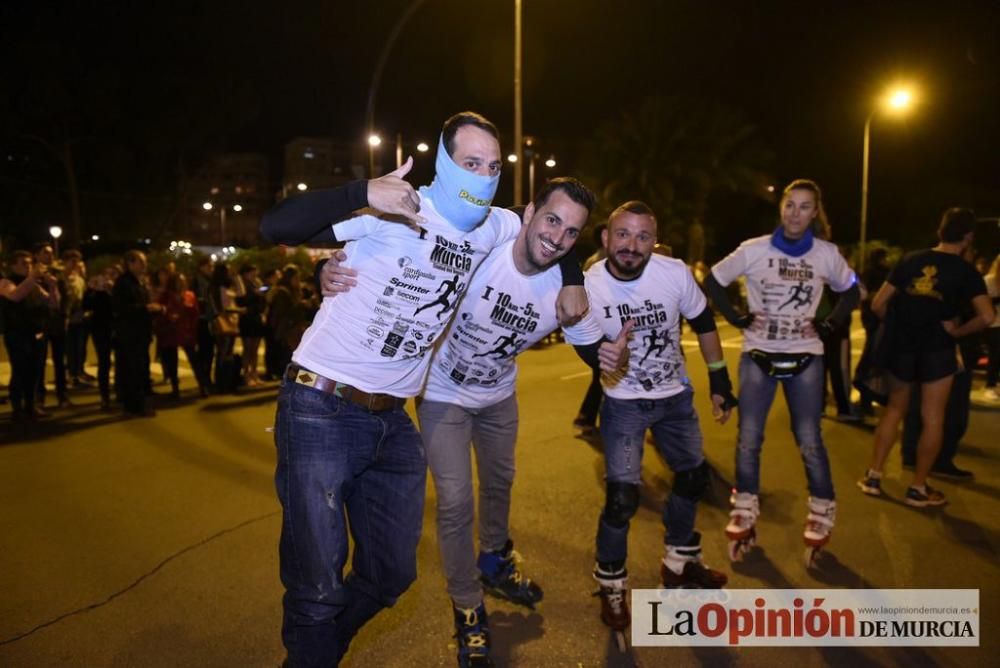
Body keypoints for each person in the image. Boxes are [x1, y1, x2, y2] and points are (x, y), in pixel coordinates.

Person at [258, 111, 587, 667]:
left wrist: (574, 277)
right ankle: (312, 650)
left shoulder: (492, 225)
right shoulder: (397, 209)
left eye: (492, 166)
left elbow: (553, 230)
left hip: (392, 423)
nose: (482, 175)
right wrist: (361, 191)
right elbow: (277, 228)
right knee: (316, 588)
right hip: (321, 405)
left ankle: (319, 649)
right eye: (469, 162)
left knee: (393, 574)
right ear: (442, 159)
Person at [319, 177, 627, 667]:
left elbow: (592, 344)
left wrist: (607, 353)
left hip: (498, 395)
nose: (559, 237)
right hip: (442, 394)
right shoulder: (486, 248)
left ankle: (495, 560)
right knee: (456, 502)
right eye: (551, 220)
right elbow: (414, 246)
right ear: (527, 214)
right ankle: (467, 607)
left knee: (501, 481)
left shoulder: (568, 289)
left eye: (572, 233)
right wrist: (327, 266)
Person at [585, 200, 738, 636]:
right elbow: (571, 334)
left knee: (693, 479)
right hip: (624, 403)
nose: (632, 246)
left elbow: (704, 321)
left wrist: (720, 381)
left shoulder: (672, 273)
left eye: (642, 236)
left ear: (654, 240)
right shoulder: (590, 286)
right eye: (623, 235)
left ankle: (679, 562)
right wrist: (601, 354)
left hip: (675, 399)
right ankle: (611, 583)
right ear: (605, 238)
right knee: (622, 499)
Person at [704, 179, 859, 565]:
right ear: (781, 208)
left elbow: (852, 289)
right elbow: (713, 280)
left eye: (804, 207)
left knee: (808, 438)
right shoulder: (754, 249)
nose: (795, 213)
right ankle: (744, 508)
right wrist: (737, 317)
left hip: (806, 354)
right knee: (748, 438)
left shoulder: (826, 254)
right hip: (759, 353)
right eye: (790, 205)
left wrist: (828, 325)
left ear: (814, 213)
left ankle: (822, 510)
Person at [858, 208, 994, 507]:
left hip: (903, 347)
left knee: (894, 410)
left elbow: (879, 303)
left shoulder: (911, 259)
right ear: (968, 236)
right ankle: (918, 488)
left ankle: (873, 476)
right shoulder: (966, 272)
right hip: (938, 349)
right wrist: (956, 332)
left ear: (940, 231)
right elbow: (987, 316)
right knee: (933, 418)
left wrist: (898, 323)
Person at [1, 250, 57, 421]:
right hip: (17, 333)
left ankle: (31, 405)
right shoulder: (6, 282)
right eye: (24, 263)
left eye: (30, 263)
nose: (28, 266)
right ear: (13, 266)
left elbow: (52, 303)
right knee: (20, 370)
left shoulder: (33, 283)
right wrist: (32, 278)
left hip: (36, 333)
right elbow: (15, 296)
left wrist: (53, 286)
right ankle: (17, 407)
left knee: (34, 370)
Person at [112, 250, 163, 417]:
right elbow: (122, 309)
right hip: (130, 333)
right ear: (130, 263)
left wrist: (153, 309)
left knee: (140, 369)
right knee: (132, 370)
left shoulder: (138, 282)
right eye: (140, 262)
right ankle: (133, 406)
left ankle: (138, 403)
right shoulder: (124, 283)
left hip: (140, 332)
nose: (144, 265)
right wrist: (146, 308)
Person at [573, 223, 609, 436]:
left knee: (601, 375)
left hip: (595, 326)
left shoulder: (591, 260)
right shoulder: (603, 263)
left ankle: (586, 417)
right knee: (605, 375)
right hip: (601, 327)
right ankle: (588, 418)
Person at [33, 243, 69, 409]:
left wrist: (65, 316)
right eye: (45, 253)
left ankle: (62, 395)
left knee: (60, 361)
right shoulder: (33, 274)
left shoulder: (58, 275)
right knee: (39, 362)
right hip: (41, 323)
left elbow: (66, 297)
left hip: (57, 323)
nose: (50, 256)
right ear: (37, 255)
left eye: (51, 253)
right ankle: (39, 397)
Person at [84, 265, 120, 410]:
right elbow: (86, 305)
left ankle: (120, 391)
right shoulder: (96, 291)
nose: (110, 278)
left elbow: (119, 306)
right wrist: (93, 290)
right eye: (108, 274)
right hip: (100, 328)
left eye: (114, 274)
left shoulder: (119, 289)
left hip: (117, 328)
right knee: (104, 362)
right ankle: (104, 396)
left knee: (121, 361)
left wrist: (111, 291)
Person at [209, 262, 243, 393]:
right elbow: (224, 307)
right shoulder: (219, 288)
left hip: (231, 321)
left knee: (227, 352)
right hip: (225, 321)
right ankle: (222, 382)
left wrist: (237, 278)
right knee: (224, 352)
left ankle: (225, 381)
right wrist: (237, 310)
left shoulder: (226, 286)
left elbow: (241, 293)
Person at [236, 263, 267, 386]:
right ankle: (246, 374)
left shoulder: (257, 283)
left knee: (255, 349)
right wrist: (255, 294)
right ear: (245, 273)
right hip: (247, 319)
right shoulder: (242, 284)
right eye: (251, 272)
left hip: (257, 318)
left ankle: (254, 373)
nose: (254, 274)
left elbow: (263, 301)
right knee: (247, 348)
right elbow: (241, 300)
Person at [190, 256, 216, 394]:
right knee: (204, 352)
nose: (211, 269)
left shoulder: (208, 281)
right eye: (209, 266)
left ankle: (206, 380)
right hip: (201, 319)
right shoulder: (196, 281)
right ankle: (203, 382)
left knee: (210, 352)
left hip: (210, 318)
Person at [983, 254, 1000, 402]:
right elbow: (984, 302)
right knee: (995, 355)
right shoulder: (989, 280)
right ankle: (990, 385)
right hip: (994, 323)